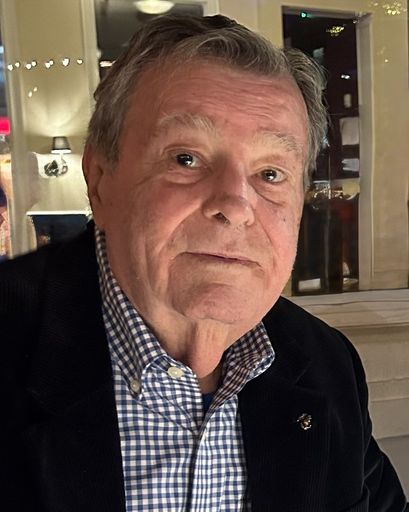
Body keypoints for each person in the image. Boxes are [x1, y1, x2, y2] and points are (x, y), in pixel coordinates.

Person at [0, 14, 407, 512]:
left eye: (271, 173)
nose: (236, 205)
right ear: (100, 182)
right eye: (186, 159)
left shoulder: (327, 364)